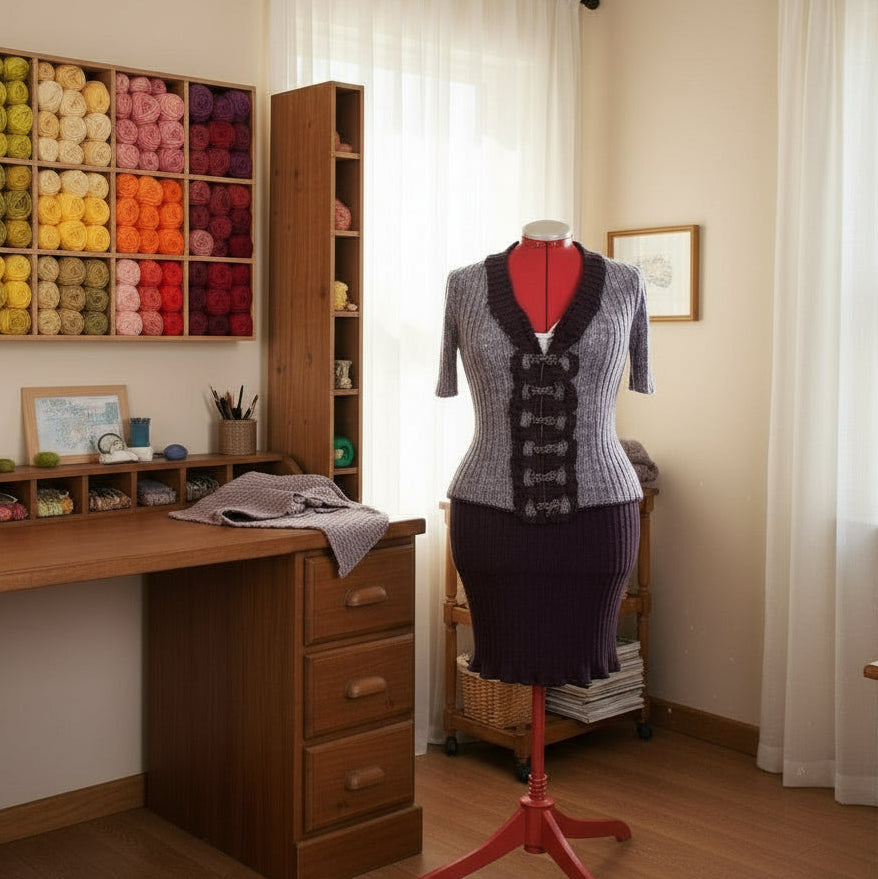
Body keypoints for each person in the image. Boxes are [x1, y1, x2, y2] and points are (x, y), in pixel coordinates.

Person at [436, 220, 653, 687]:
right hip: (491, 523)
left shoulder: (626, 283)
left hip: (597, 525)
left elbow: (639, 376)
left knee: (583, 653)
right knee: (504, 654)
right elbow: (449, 381)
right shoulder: (465, 285)